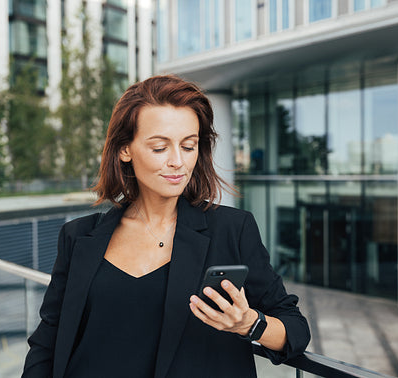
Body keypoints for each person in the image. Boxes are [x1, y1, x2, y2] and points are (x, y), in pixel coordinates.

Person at [22, 75, 310, 378]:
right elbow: (47, 342)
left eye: (188, 146)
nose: (177, 162)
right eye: (160, 147)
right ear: (125, 150)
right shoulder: (79, 237)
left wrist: (248, 323)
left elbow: (295, 329)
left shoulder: (232, 229)